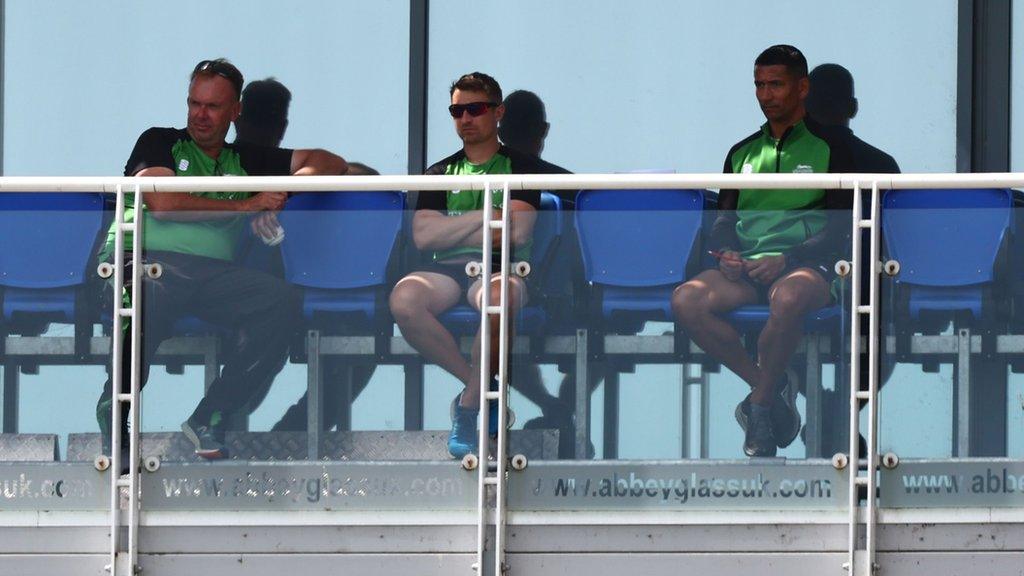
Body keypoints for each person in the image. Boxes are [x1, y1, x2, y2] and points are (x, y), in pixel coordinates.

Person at [95, 58, 348, 464]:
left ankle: (212, 415)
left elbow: (329, 162)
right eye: (194, 103)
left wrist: (279, 197)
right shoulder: (158, 140)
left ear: (235, 112)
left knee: (280, 301)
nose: (200, 115)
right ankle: (116, 409)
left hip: (210, 275)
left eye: (212, 107)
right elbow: (162, 203)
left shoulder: (248, 159)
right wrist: (249, 204)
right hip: (138, 260)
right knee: (146, 294)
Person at [672, 45, 853, 457]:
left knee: (789, 297)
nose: (767, 94)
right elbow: (722, 224)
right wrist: (728, 256)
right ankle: (768, 387)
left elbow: (841, 226)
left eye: (776, 84)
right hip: (748, 271)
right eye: (759, 85)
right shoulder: (741, 152)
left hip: (806, 268)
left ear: (802, 87)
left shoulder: (831, 148)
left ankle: (758, 407)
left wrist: (787, 260)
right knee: (686, 300)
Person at [389, 72, 562, 458]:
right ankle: (483, 389)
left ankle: (468, 407)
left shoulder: (521, 166)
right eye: (457, 110)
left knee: (498, 299)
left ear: (498, 112)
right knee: (404, 300)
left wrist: (452, 227)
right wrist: (489, 216)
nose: (465, 118)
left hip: (504, 268)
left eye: (476, 109)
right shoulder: (438, 173)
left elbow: (516, 233)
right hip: (448, 272)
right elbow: (423, 236)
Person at [806, 63, 900, 456]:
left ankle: (820, 411)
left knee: (778, 334)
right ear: (854, 107)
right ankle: (840, 413)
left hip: (790, 287)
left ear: (804, 104)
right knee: (880, 346)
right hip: (869, 291)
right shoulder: (883, 165)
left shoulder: (791, 168)